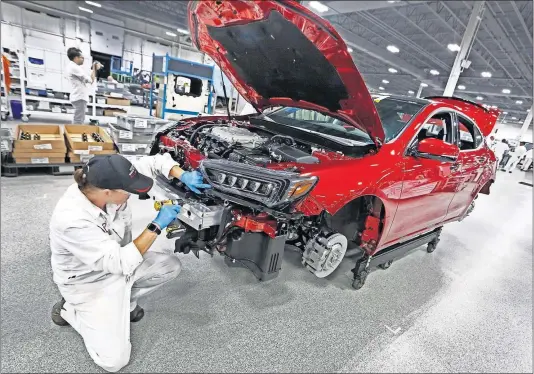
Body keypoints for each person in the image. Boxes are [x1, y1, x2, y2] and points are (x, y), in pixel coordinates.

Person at [49, 153, 210, 372]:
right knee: (114, 361)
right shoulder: (72, 220)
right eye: (128, 191)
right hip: (89, 283)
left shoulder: (111, 174)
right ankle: (71, 310)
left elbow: (154, 162)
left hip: (120, 262)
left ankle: (124, 302)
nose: (132, 194)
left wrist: (183, 175)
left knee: (170, 266)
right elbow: (119, 263)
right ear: (108, 192)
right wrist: (156, 225)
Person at [67, 47, 101, 124]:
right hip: (80, 97)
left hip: (78, 96)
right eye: (82, 58)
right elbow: (90, 80)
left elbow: (87, 76)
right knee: (78, 120)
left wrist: (93, 68)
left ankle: (74, 133)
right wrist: (95, 68)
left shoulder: (74, 67)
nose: (83, 59)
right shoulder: (74, 68)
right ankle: (75, 134)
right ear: (76, 58)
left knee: (78, 118)